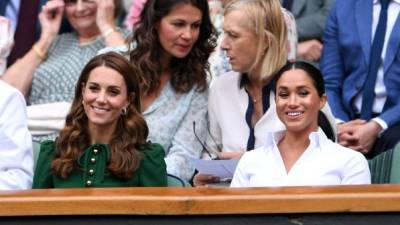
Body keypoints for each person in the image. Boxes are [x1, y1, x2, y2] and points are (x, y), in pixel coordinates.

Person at [194, 0, 336, 186]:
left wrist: (249, 163)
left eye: (234, 35)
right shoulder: (220, 88)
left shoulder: (304, 90)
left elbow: (327, 165)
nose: (224, 45)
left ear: (265, 41)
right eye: (224, 34)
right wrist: (203, 178)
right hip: (228, 206)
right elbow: (211, 153)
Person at [32, 52, 167, 188]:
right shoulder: (53, 153)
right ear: (83, 91)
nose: (101, 99)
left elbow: (158, 209)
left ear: (128, 100)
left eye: (113, 92)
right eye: (94, 89)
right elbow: (36, 208)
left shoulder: (147, 158)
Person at [2, 0, 127, 141]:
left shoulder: (127, 39)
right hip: (27, 140)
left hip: (78, 143)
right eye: (71, 2)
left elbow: (132, 82)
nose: (79, 9)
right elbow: (6, 93)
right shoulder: (56, 42)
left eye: (87, 1)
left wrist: (106, 25)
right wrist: (46, 37)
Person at [230, 61, 371, 187]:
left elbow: (355, 215)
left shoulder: (351, 162)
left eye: (303, 93)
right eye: (284, 95)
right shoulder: (250, 161)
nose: (292, 103)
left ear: (322, 101)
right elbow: (234, 214)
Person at [127, 0, 217, 181]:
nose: (188, 35)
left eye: (195, 26)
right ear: (155, 22)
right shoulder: (113, 63)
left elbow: (184, 159)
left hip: (156, 190)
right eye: (178, 24)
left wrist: (136, 177)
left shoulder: (196, 85)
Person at [320, 0, 400, 158]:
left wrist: (379, 125)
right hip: (347, 118)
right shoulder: (344, 7)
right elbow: (329, 81)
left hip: (395, 120)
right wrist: (339, 124)